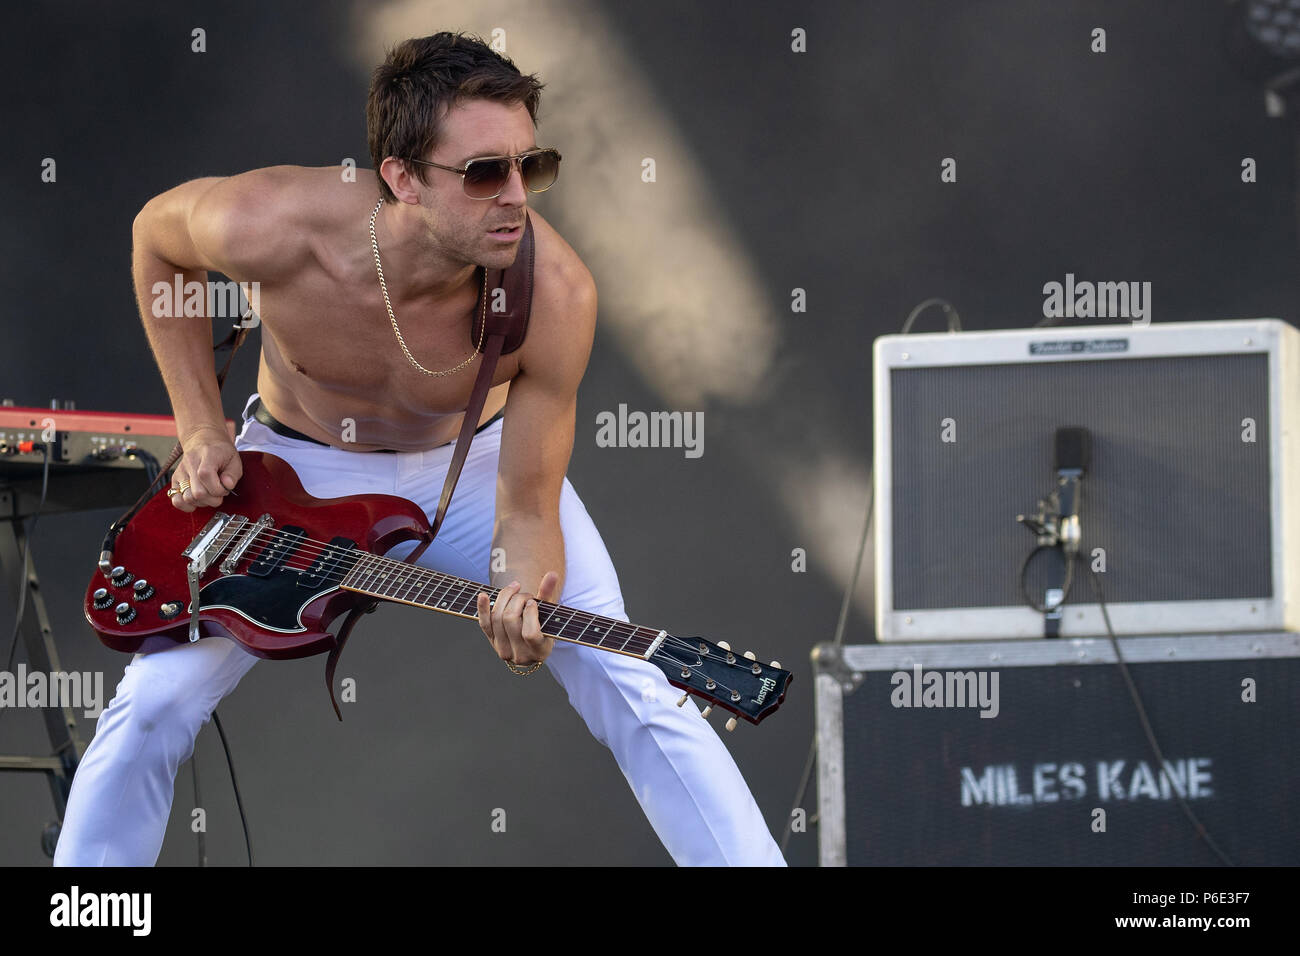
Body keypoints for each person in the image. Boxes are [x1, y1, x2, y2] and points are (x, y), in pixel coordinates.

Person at [53, 31, 785, 866]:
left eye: (530, 167)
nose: (516, 196)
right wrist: (200, 427)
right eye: (483, 173)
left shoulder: (557, 293)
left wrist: (524, 596)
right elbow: (156, 237)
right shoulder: (274, 226)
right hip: (295, 464)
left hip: (475, 465)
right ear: (401, 177)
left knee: (628, 675)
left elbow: (526, 506)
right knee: (153, 702)